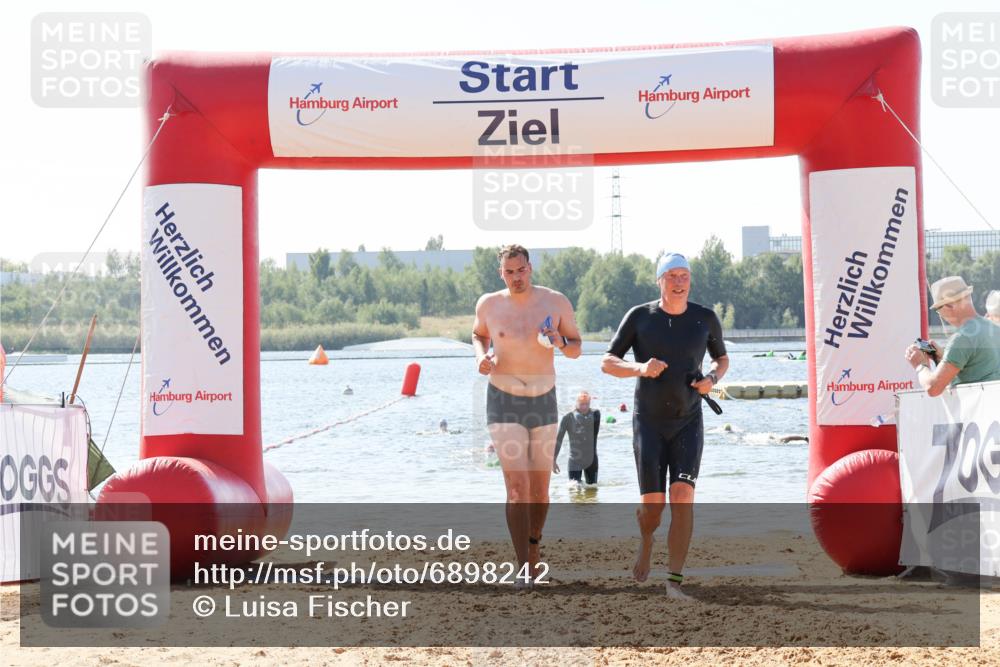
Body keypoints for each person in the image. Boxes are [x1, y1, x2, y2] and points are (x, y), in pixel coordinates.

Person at [601, 252, 729, 600]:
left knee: (683, 497)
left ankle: (674, 579)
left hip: (688, 420)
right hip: (649, 423)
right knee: (654, 508)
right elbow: (608, 362)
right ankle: (646, 538)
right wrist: (640, 369)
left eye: (684, 275)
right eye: (671, 275)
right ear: (660, 280)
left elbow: (722, 358)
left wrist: (712, 379)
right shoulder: (641, 317)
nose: (678, 281)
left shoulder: (704, 318)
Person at [472, 244, 582, 587]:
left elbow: (577, 348)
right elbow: (478, 334)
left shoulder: (555, 301)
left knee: (540, 491)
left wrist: (559, 341)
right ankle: (523, 569)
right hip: (503, 401)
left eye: (521, 270)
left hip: (543, 401)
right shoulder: (489, 304)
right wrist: (481, 357)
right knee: (517, 489)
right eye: (509, 272)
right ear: (500, 273)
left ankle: (533, 552)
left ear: (530, 268)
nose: (516, 277)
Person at [904, 276, 1000, 396]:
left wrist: (919, 365)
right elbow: (977, 367)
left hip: (978, 412)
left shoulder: (961, 338)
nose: (940, 315)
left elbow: (933, 388)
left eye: (938, 310)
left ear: (949, 306)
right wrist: (942, 357)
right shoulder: (994, 328)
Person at [553, 391, 601, 485]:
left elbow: (584, 420)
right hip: (575, 460)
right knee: (574, 489)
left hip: (591, 460)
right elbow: (559, 439)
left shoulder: (596, 415)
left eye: (587, 404)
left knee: (592, 490)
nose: (584, 407)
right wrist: (553, 459)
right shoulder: (567, 418)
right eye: (582, 404)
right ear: (576, 403)